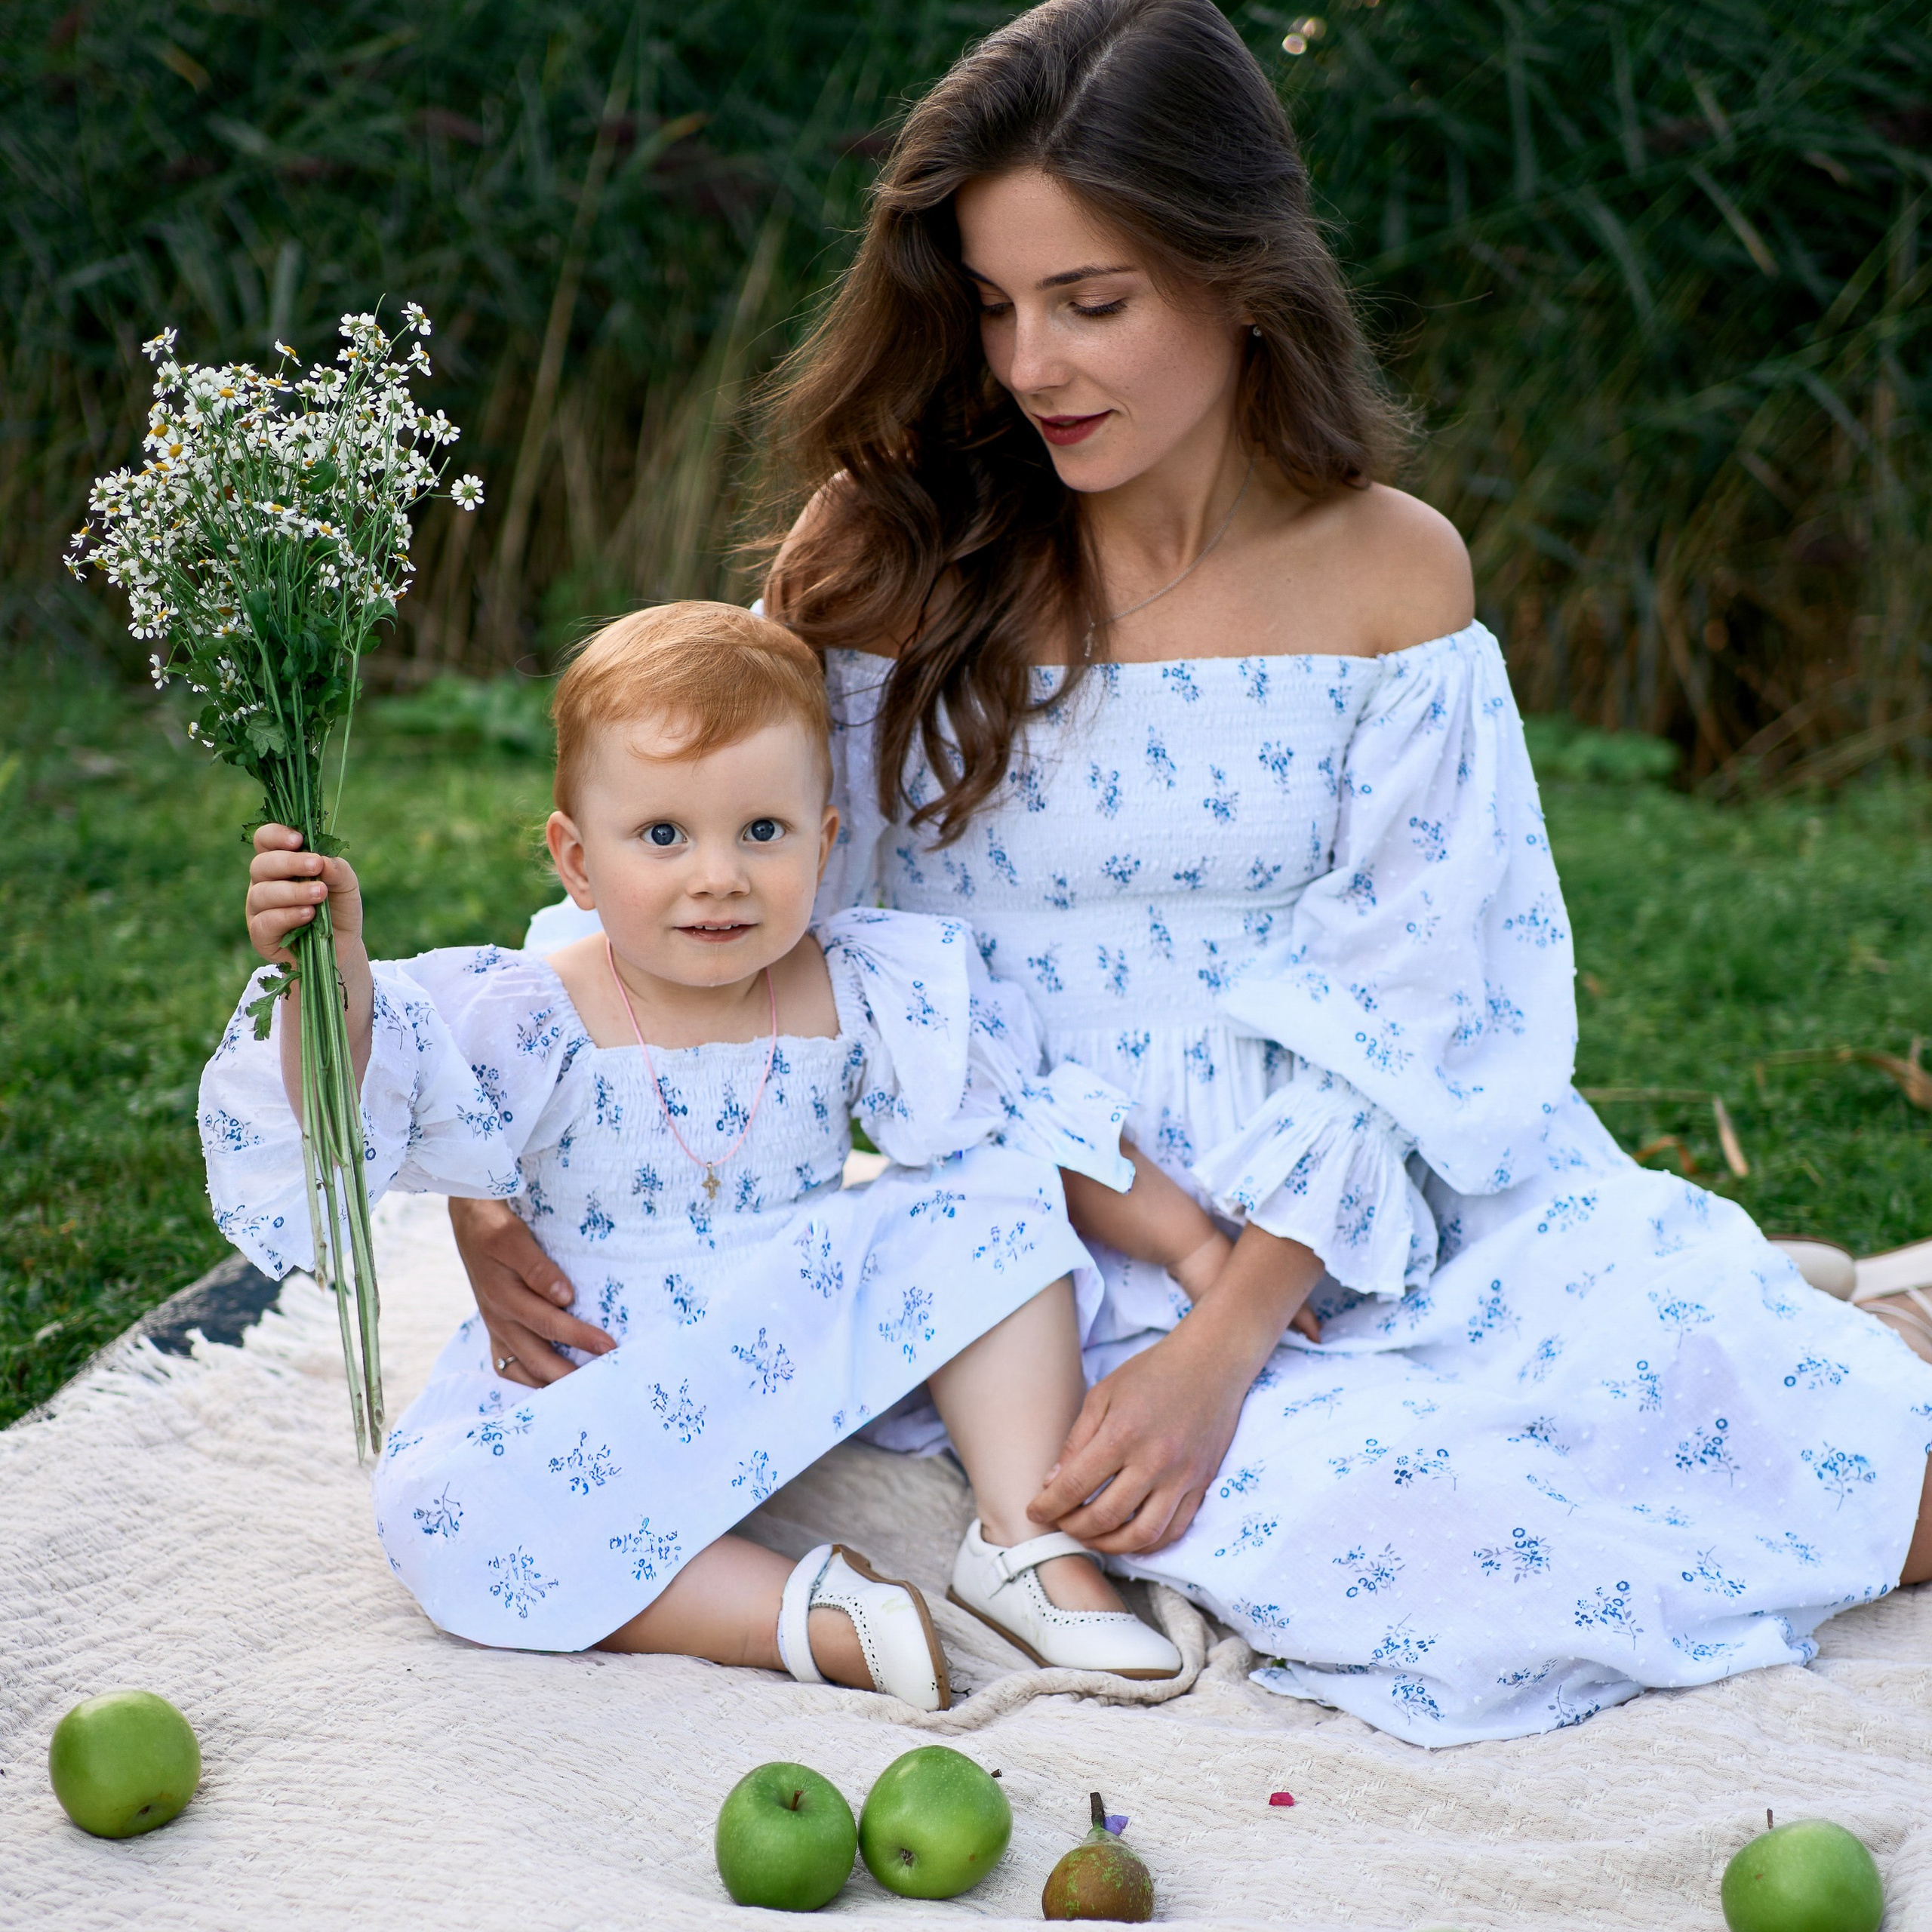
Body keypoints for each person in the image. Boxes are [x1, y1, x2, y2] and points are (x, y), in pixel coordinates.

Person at [453, 0, 1932, 1744]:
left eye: (1092, 304)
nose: (1032, 367)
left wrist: (1225, 1341)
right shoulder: (887, 552)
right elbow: (701, 865)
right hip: (1023, 1231)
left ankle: (1853, 1326)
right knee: (1431, 1558)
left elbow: (1422, 991)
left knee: (1863, 1487)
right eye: (995, 306)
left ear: (1239, 279)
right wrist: (492, 1169)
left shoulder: (1385, 571)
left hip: (1353, 1205)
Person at [199, 601, 1186, 1710]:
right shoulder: (535, 1010)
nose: (717, 876)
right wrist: (328, 982)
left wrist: (1196, 1248)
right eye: (663, 836)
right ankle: (802, 1613)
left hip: (800, 1327)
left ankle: (1027, 1542)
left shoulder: (858, 984)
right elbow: (355, 1103)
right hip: (603, 1355)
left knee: (995, 1188)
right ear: (576, 859)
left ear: (823, 840)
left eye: (761, 833)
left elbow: (1027, 1129)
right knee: (441, 1518)